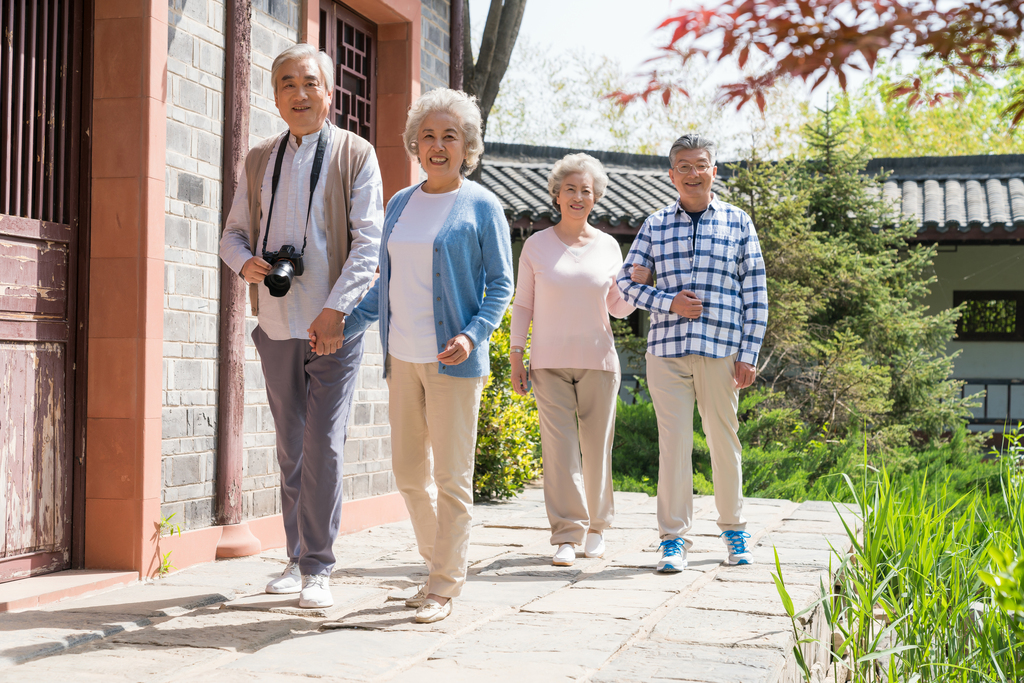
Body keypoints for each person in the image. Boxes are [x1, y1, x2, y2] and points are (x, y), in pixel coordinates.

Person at [219, 43, 383, 608]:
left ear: (329, 93)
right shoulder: (260, 157)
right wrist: (246, 263)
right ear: (275, 96)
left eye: (309, 82)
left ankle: (319, 566)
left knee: (324, 445)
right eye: (287, 83)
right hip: (276, 321)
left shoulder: (355, 154)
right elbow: (233, 232)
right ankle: (294, 557)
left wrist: (337, 310)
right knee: (291, 446)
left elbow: (368, 243)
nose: (299, 93)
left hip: (333, 325)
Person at [343, 88, 513, 623]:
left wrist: (473, 333)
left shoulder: (482, 205)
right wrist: (342, 324)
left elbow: (500, 284)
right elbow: (384, 287)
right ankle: (439, 560)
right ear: (414, 143)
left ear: (468, 146)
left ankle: (442, 585)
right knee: (410, 473)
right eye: (429, 136)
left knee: (452, 479)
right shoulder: (399, 203)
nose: (437, 145)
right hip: (403, 357)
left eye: (450, 136)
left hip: (453, 361)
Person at [617, 134, 768, 573]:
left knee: (724, 441)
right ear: (671, 175)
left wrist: (749, 352)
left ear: (713, 171)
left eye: (700, 165)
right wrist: (669, 302)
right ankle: (672, 539)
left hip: (722, 349)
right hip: (666, 351)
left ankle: (734, 530)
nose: (692, 173)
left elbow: (755, 292)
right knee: (674, 444)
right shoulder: (655, 225)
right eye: (682, 166)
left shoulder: (738, 223)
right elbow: (627, 284)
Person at [509, 154, 636, 567]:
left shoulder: (609, 246)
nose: (579, 196)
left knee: (597, 449)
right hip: (548, 363)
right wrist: (516, 354)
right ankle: (566, 534)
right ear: (557, 194)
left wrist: (636, 285)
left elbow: (618, 309)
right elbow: (523, 304)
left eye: (586, 190)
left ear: (595, 197)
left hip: (599, 361)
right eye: (571, 189)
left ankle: (597, 528)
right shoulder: (536, 245)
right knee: (560, 451)